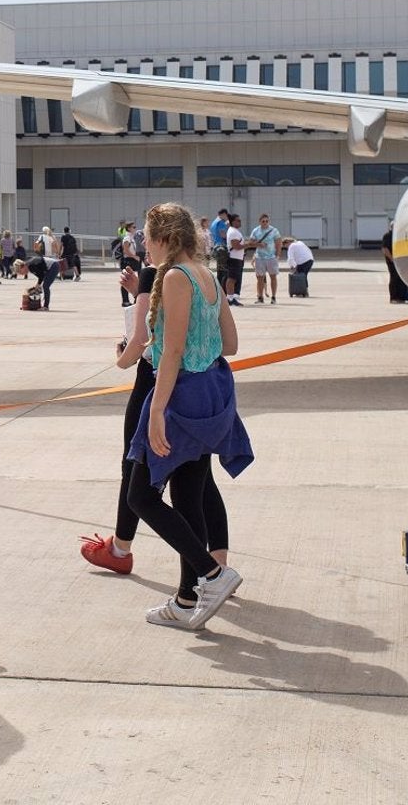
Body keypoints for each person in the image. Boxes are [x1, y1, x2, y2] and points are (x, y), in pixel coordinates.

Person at [117, 202, 250, 629]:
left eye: (147, 239)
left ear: (164, 239)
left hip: (180, 397)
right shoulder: (208, 275)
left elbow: (172, 352)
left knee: (141, 495)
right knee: (188, 496)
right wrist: (194, 339)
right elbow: (230, 343)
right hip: (212, 392)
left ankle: (213, 575)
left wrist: (156, 410)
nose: (144, 246)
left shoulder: (175, 278)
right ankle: (187, 598)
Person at [81, 261, 232, 583]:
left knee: (137, 475)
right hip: (201, 386)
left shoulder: (159, 273)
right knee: (200, 483)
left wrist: (121, 360)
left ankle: (122, 550)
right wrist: (140, 293)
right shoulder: (203, 274)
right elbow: (228, 342)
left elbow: (141, 339)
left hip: (157, 384)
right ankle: (214, 568)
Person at [246, 213, 281, 304]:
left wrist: (277, 255)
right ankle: (260, 297)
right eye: (263, 221)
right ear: (260, 222)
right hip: (260, 257)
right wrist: (259, 244)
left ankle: (273, 297)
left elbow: (278, 243)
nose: (265, 223)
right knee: (260, 278)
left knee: (273, 277)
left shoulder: (274, 230)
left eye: (267, 221)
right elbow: (250, 243)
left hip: (271, 257)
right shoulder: (256, 231)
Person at [220, 213, 244, 305]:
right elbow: (236, 246)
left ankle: (230, 297)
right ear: (233, 222)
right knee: (231, 279)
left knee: (233, 278)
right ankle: (230, 298)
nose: (240, 222)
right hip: (234, 258)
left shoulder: (234, 231)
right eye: (238, 220)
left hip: (236, 258)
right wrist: (249, 244)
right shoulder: (233, 232)